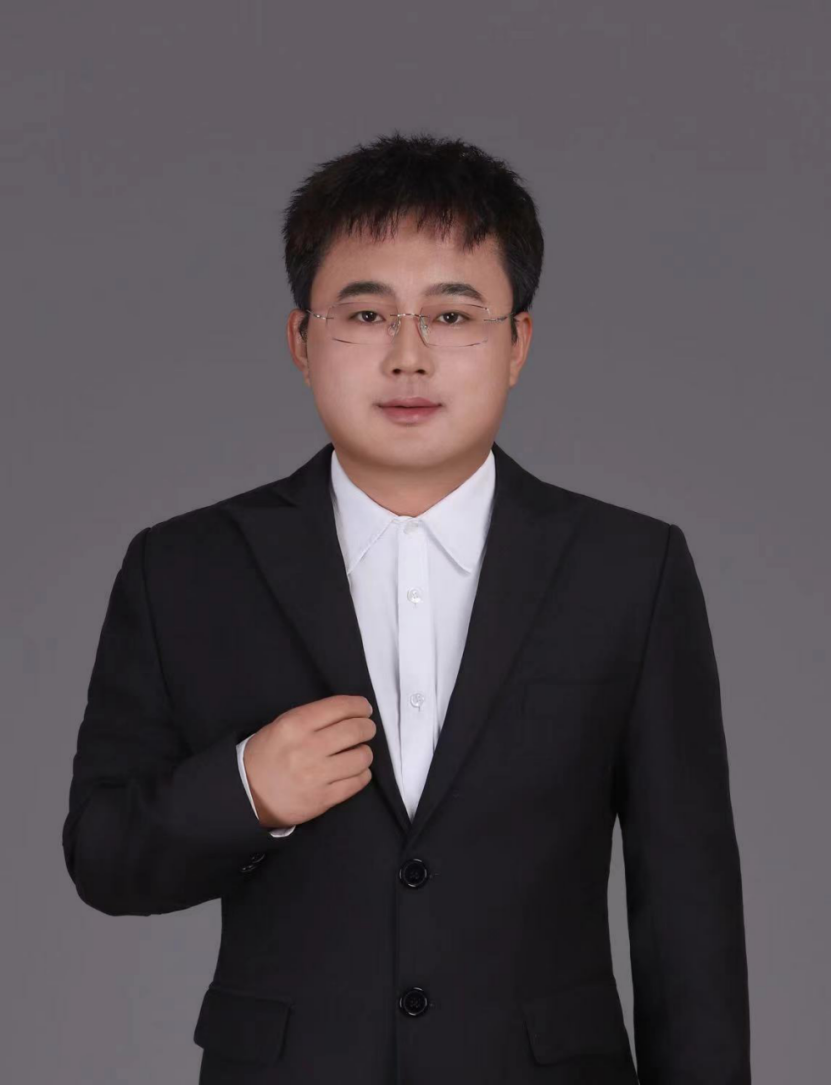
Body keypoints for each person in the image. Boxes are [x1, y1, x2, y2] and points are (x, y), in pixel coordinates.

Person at [63, 131, 751, 1084]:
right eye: (365, 314)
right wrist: (247, 791)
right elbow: (102, 857)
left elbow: (689, 909)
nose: (408, 357)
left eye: (452, 315)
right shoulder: (182, 568)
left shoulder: (628, 569)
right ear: (302, 340)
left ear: (516, 343)